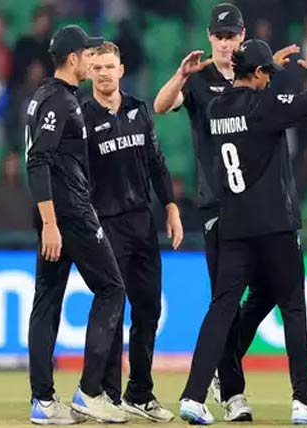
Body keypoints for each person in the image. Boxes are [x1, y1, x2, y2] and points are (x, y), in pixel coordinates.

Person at [177, 38, 307, 425]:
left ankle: (193, 396)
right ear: (259, 73)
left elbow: (253, 95)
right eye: (267, 74)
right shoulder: (266, 105)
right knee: (293, 308)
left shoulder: (216, 108)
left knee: (221, 308)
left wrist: (269, 68)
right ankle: (303, 402)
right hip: (274, 225)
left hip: (233, 225)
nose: (269, 80)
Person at [153, 3, 297, 421]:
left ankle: (222, 367)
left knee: (268, 291)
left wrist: (272, 66)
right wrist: (181, 75)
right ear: (209, 38)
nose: (225, 44)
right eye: (219, 37)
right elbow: (161, 106)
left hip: (264, 209)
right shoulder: (200, 82)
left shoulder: (256, 76)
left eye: (232, 36)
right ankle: (233, 393)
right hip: (219, 206)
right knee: (227, 300)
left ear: (242, 36)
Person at [25, 25, 128, 424]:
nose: (91, 59)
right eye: (87, 54)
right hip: (69, 214)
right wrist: (52, 223)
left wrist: (47, 219)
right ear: (73, 59)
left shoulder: (45, 97)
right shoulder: (60, 102)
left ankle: (43, 402)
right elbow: (38, 161)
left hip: (56, 212)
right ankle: (90, 391)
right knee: (112, 289)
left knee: (47, 301)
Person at [82, 41, 182, 422]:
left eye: (110, 66)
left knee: (149, 308)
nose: (104, 73)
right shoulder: (83, 118)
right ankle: (106, 394)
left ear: (121, 70)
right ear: (90, 72)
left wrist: (170, 207)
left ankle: (139, 392)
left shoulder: (139, 110)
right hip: (107, 224)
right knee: (113, 306)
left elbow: (156, 162)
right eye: (97, 67)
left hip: (143, 222)